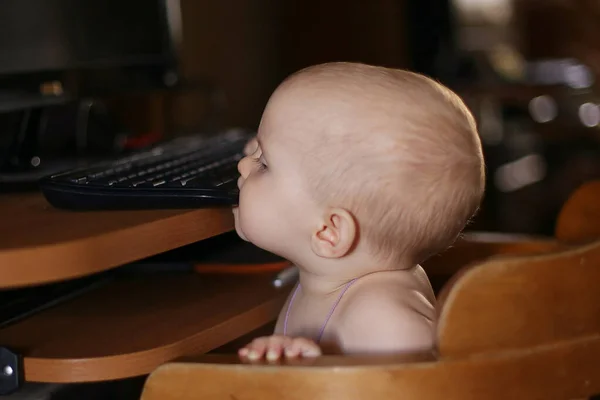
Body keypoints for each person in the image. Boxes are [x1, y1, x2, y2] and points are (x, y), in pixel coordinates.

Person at [232, 62, 485, 360]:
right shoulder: (326, 280)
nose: (243, 165)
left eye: (263, 163)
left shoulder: (385, 320)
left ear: (328, 231)